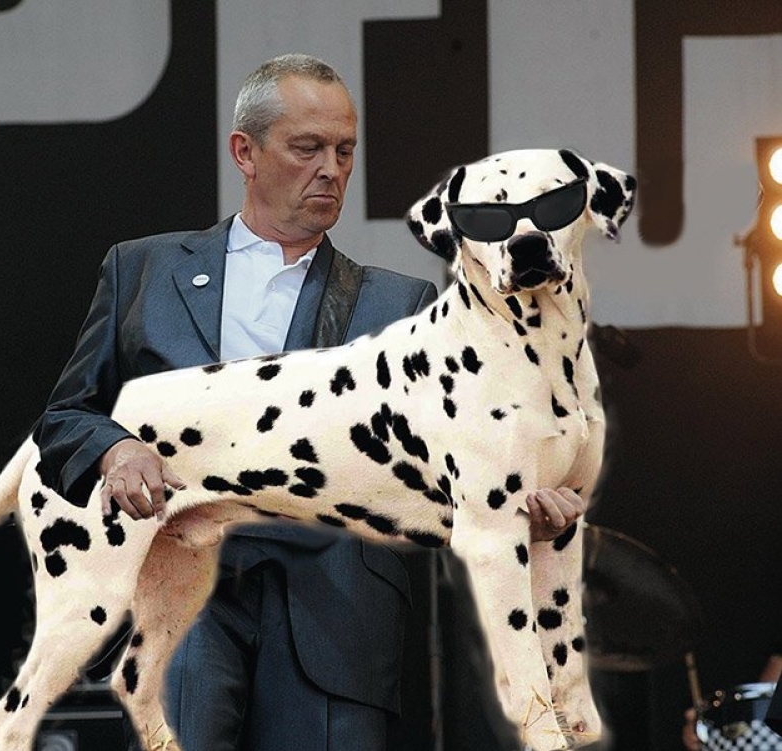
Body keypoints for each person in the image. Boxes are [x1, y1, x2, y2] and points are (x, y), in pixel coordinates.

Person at [33, 53, 586, 751]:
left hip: (337, 613)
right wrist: (116, 448)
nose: (331, 168)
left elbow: (453, 466)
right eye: (307, 147)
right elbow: (65, 416)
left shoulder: (400, 304)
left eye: (344, 149)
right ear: (246, 151)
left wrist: (522, 507)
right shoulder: (143, 269)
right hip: (184, 595)